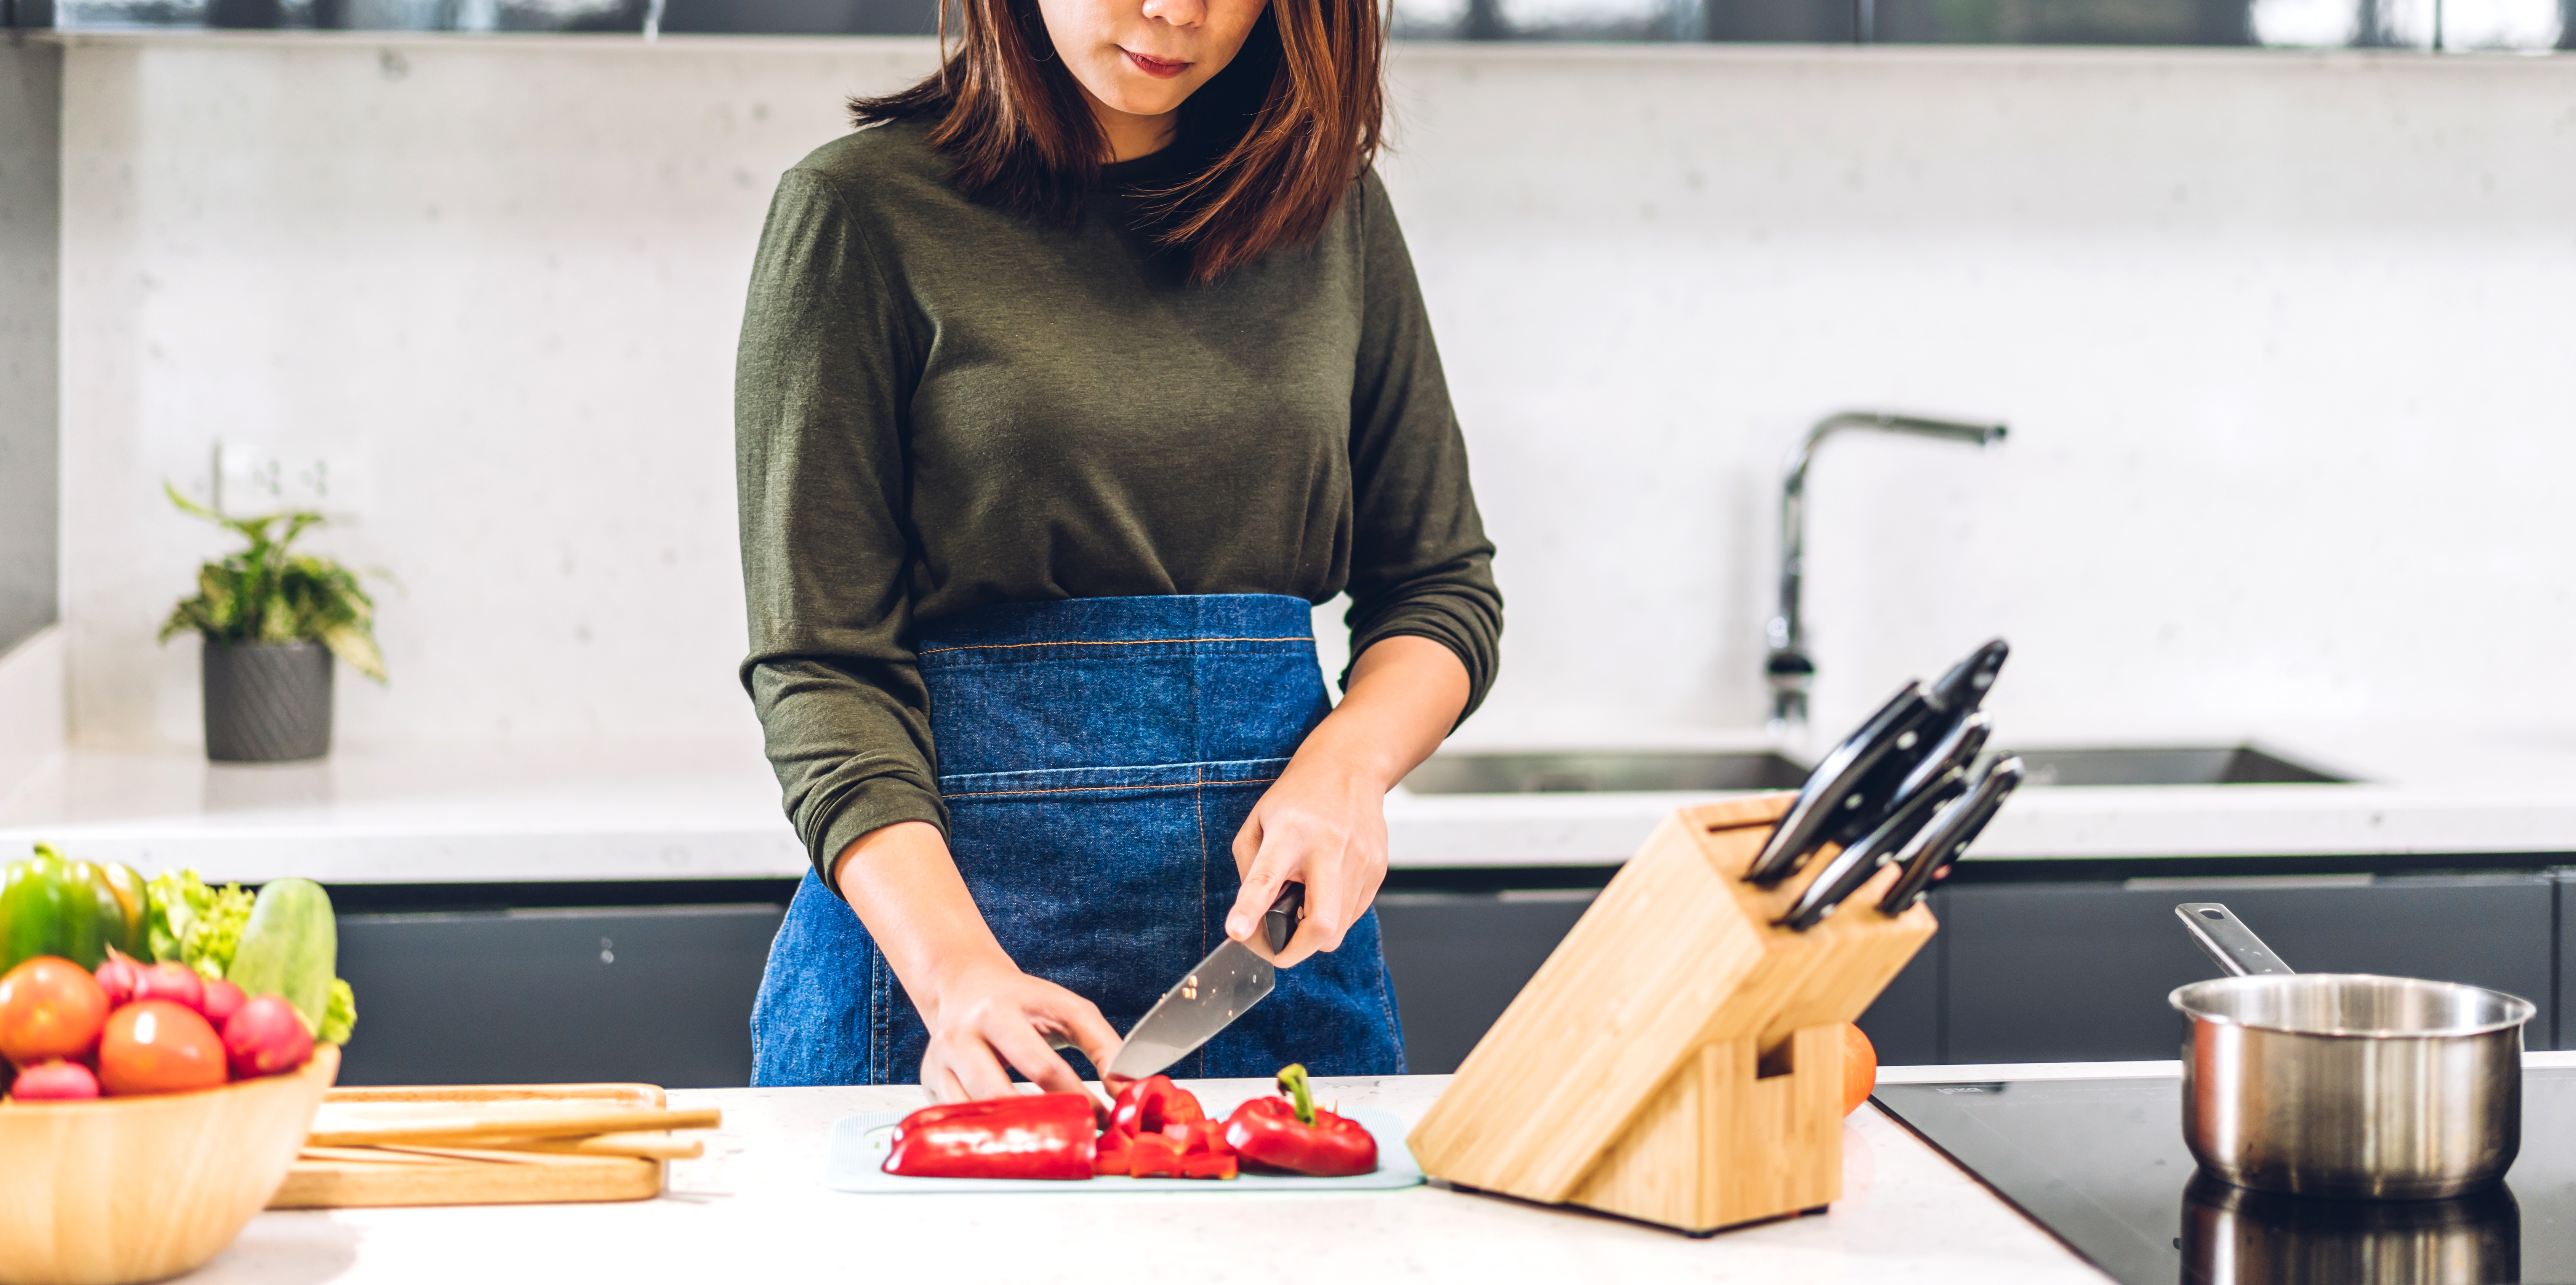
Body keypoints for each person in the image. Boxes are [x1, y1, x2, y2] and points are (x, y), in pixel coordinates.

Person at [733, 0, 1501, 1101]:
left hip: (1270, 977)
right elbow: (823, 664)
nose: (1174, 10)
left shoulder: (1333, 218)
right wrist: (958, 980)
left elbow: (1439, 589)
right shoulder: (856, 213)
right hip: (937, 998)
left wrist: (1346, 773)